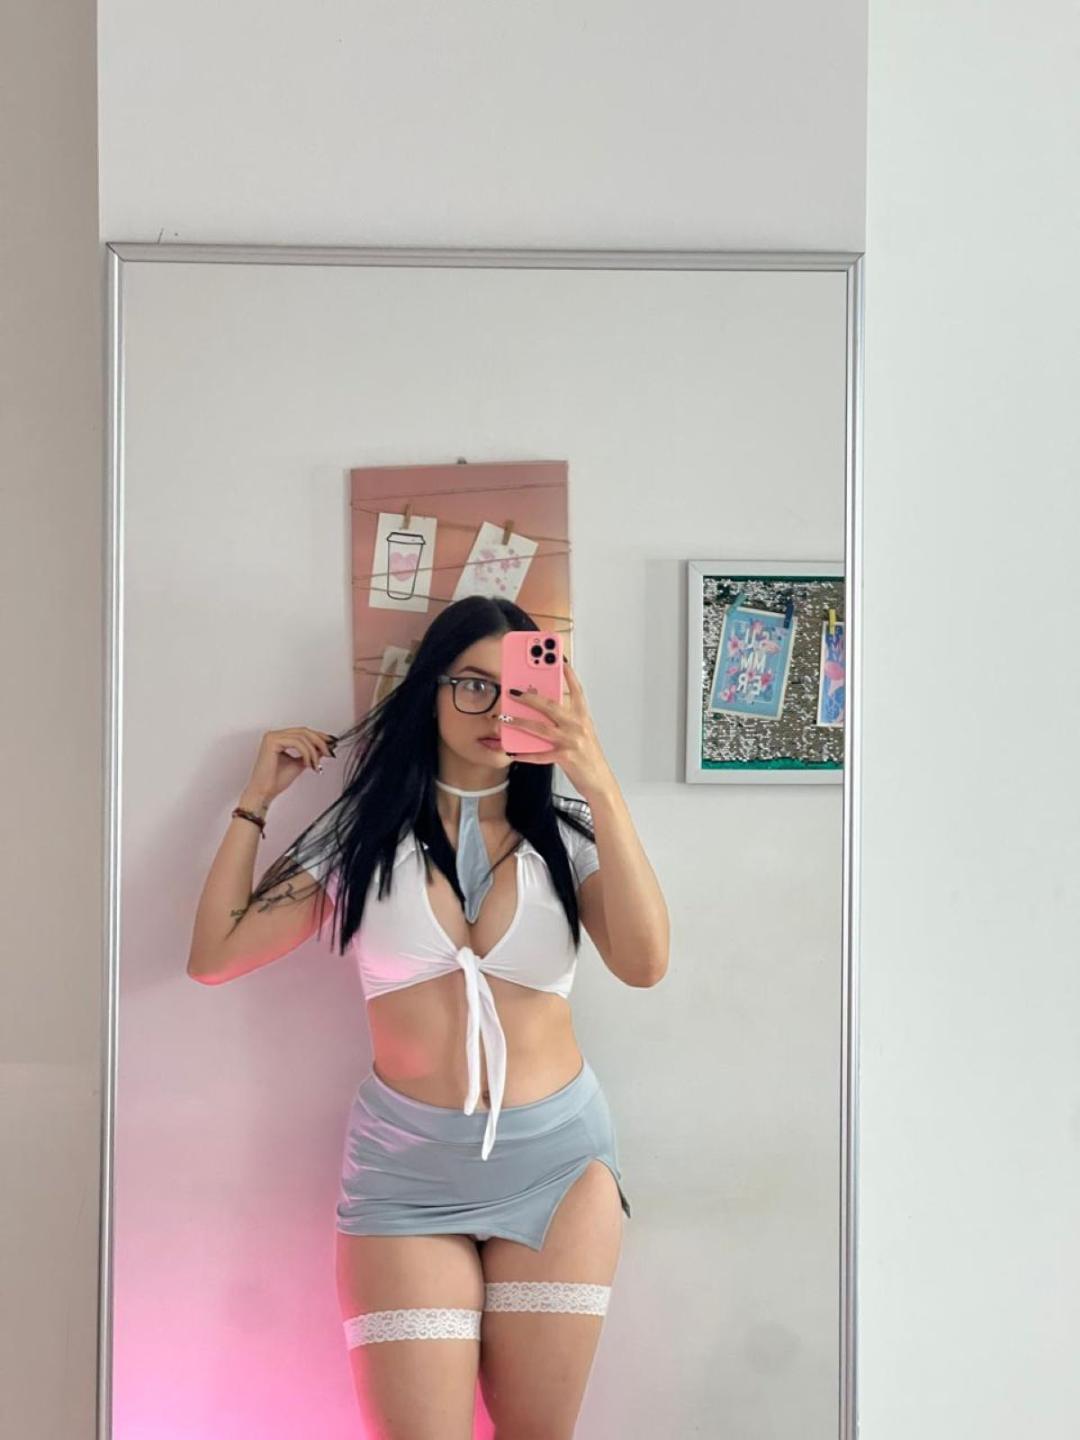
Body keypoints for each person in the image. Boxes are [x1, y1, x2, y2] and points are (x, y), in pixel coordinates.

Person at [187, 595, 670, 1437]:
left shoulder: (567, 833)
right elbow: (216, 954)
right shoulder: (359, 836)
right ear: (431, 690)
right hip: (404, 1178)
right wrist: (254, 800)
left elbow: (645, 962)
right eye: (472, 685)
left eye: (518, 689)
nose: (494, 710)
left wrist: (594, 775)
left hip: (557, 1168)